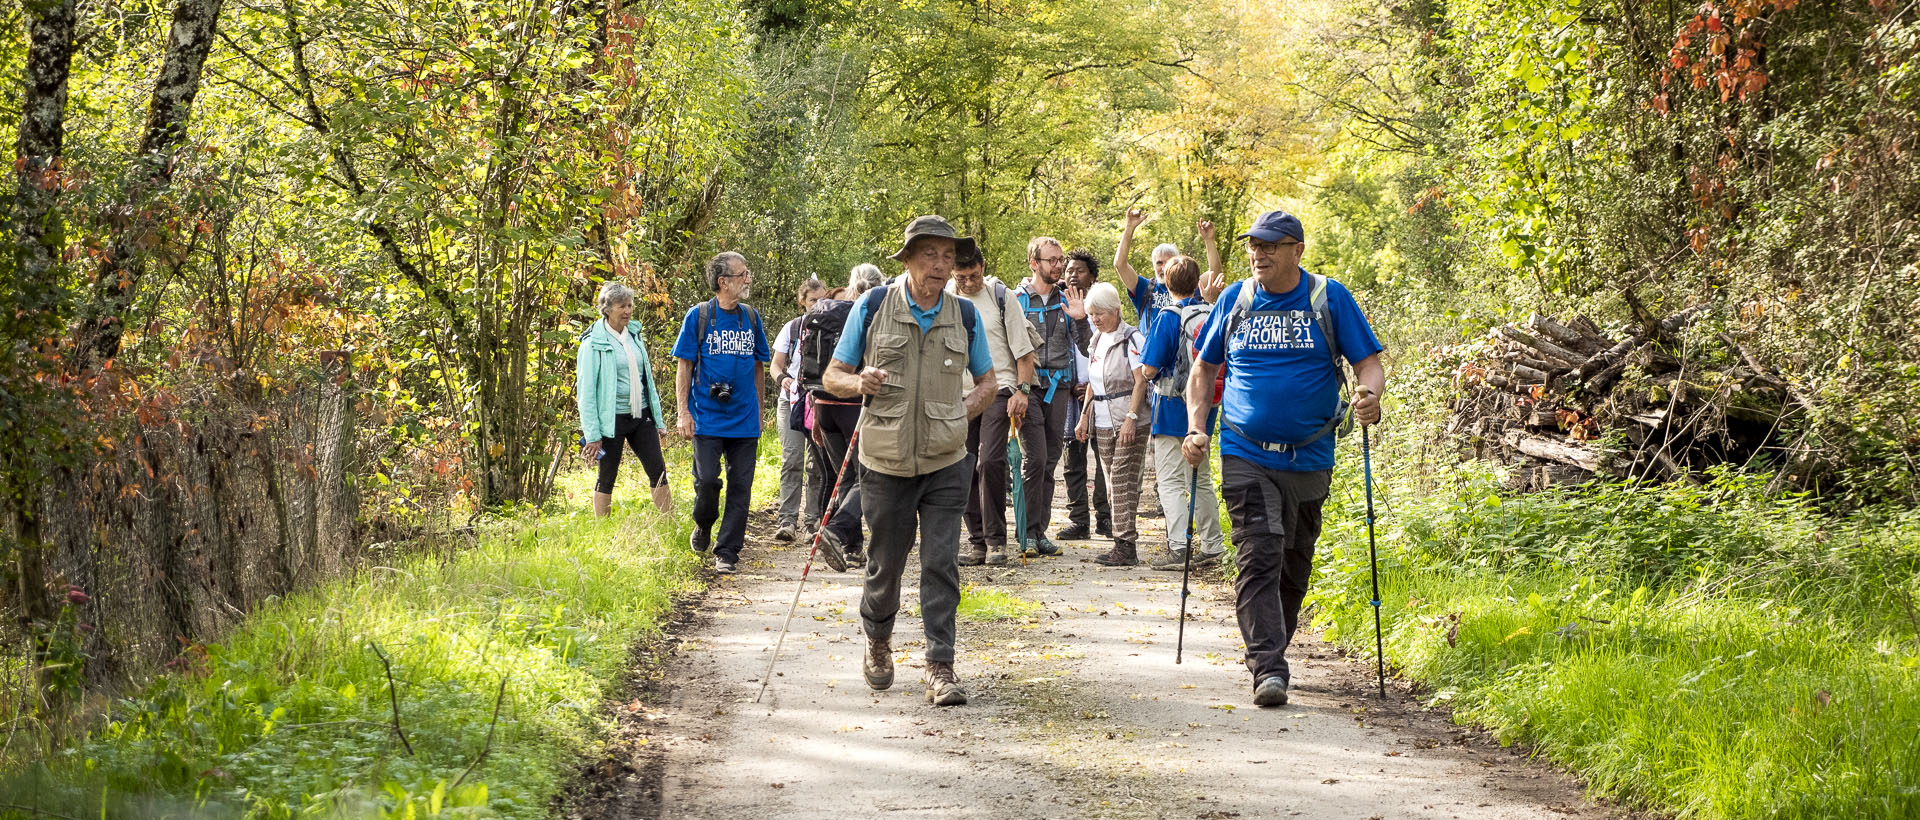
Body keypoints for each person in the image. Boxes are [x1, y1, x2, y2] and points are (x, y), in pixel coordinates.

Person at [1183, 209, 1386, 707]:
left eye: (1270, 246)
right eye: (1254, 245)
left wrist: (1370, 396)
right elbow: (1203, 369)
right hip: (1244, 449)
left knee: (1294, 563)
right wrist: (1195, 426)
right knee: (1259, 552)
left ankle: (1272, 645)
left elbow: (1368, 365)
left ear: (1297, 250)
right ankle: (1268, 667)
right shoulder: (1235, 299)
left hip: (1312, 453)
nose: (1258, 254)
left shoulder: (1328, 297)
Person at [823, 215, 996, 706]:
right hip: (885, 462)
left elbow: (988, 382)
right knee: (885, 564)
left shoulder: (964, 316)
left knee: (941, 563)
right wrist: (859, 383)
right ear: (908, 260)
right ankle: (877, 641)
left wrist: (960, 414)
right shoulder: (873, 305)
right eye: (930, 255)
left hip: (947, 461)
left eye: (948, 256)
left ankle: (941, 665)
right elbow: (834, 375)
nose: (941, 265)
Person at [1127, 221, 1228, 570]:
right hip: (1205, 407)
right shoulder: (1211, 312)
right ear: (1197, 282)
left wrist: (1146, 372)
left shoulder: (1167, 317)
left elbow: (1149, 368)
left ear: (1166, 283)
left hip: (1170, 408)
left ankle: (1178, 547)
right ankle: (1213, 547)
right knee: (1199, 479)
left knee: (1170, 480)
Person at [673, 251, 771, 575]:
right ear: (722, 282)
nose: (748, 279)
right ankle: (703, 524)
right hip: (707, 417)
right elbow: (684, 366)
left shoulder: (751, 318)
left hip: (744, 419)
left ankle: (727, 551)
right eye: (742, 274)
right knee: (707, 481)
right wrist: (682, 412)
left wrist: (759, 409)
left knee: (741, 487)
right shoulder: (699, 316)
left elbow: (758, 366)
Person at [949, 247, 1039, 566]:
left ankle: (996, 540)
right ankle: (976, 541)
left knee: (989, 461)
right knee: (962, 465)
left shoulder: (1001, 297)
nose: (968, 282)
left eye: (974, 276)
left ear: (983, 268)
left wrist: (1022, 391)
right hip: (956, 394)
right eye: (961, 277)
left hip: (999, 388)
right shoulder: (944, 298)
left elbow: (1023, 352)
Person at [811, 263, 889, 571]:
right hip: (854, 403)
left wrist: (814, 412)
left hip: (823, 403)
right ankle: (838, 529)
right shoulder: (871, 315)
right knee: (868, 476)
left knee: (846, 475)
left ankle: (852, 548)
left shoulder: (825, 311)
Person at [1012, 238, 1086, 556]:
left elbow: (1085, 346)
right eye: (1051, 261)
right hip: (1029, 388)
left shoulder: (1067, 298)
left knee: (1050, 462)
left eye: (1060, 260)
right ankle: (1025, 532)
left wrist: (1081, 318)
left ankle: (1039, 532)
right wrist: (1015, 388)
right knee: (1035, 459)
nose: (1058, 266)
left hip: (1060, 388)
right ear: (1034, 263)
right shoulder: (1015, 300)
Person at [576, 282, 672, 517]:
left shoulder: (635, 336)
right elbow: (586, 393)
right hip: (611, 420)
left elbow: (646, 380)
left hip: (641, 415)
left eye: (630, 305)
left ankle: (670, 523)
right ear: (607, 308)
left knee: (657, 470)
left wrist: (657, 420)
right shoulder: (592, 343)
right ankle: (603, 530)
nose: (628, 311)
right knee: (607, 475)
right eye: (622, 306)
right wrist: (593, 434)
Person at [1074, 283, 1150, 566]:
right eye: (1091, 314)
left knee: (1121, 479)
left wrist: (1131, 418)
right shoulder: (1096, 340)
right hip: (1102, 419)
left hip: (1129, 419)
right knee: (1111, 482)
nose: (1094, 319)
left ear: (1116, 311)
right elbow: (1093, 383)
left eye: (1100, 314)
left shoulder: (1132, 338)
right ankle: (1123, 543)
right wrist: (1084, 416)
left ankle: (1125, 545)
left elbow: (1141, 380)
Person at [770, 278, 829, 542]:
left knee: (816, 462)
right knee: (792, 458)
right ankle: (787, 521)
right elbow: (775, 365)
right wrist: (785, 380)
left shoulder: (832, 327)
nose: (818, 305)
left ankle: (812, 522)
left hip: (819, 401)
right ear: (802, 302)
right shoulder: (792, 328)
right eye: (813, 300)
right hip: (791, 400)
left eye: (822, 299)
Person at [1057, 250, 1109, 541]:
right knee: (1072, 460)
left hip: (1098, 391)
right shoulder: (1057, 301)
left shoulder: (1102, 305)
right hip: (1067, 390)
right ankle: (1079, 520)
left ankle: (1105, 517)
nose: (1072, 275)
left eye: (1079, 271)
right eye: (1068, 271)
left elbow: (1099, 348)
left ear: (1093, 277)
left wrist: (1088, 383)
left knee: (1103, 458)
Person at [1114, 207, 1179, 330]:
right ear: (1154, 265)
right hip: (1149, 349)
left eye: (1169, 262)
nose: (1164, 267)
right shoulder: (1144, 288)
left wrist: (1209, 241)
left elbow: (1215, 274)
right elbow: (1120, 264)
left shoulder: (1188, 289)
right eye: (1159, 263)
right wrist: (1129, 228)